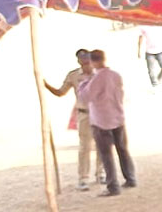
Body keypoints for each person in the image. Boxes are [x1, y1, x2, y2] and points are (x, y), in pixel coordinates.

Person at [44, 49, 102, 191]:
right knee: (84, 147)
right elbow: (60, 92)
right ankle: (83, 178)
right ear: (78, 61)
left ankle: (101, 173)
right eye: (82, 59)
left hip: (101, 113)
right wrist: (44, 84)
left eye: (87, 59)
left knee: (102, 144)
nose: (85, 62)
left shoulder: (100, 74)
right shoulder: (74, 76)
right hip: (84, 114)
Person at [80, 50, 136, 197]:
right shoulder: (115, 75)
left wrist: (85, 81)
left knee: (106, 154)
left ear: (93, 62)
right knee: (122, 149)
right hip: (118, 116)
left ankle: (113, 186)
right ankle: (130, 178)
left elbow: (85, 97)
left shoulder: (95, 79)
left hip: (101, 120)